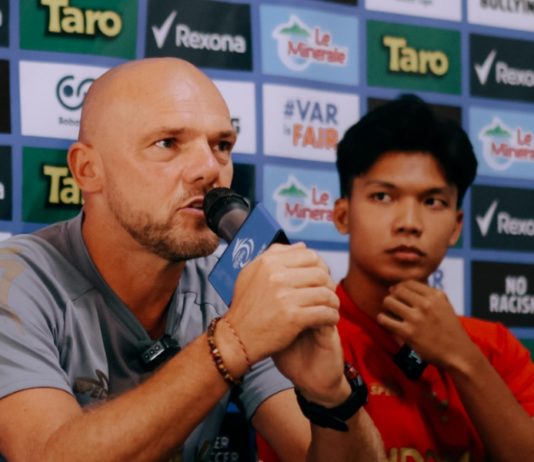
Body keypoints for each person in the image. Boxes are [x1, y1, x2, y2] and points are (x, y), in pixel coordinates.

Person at [0, 58, 385, 461]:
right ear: (87, 169)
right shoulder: (17, 281)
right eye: (167, 143)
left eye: (222, 146)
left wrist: (330, 394)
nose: (209, 169)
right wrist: (232, 341)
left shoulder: (233, 285)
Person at [331, 95, 534, 461]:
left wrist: (463, 359)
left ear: (456, 226)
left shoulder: (495, 348)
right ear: (343, 215)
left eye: (432, 202)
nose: (409, 223)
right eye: (383, 196)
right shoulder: (312, 340)